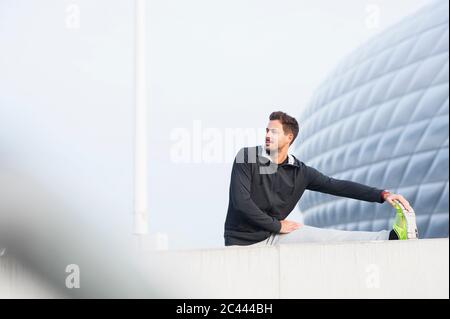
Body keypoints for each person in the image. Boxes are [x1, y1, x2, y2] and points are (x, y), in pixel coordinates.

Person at [224, 111, 418, 247]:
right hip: (241, 242)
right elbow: (242, 203)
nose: (267, 135)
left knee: (329, 237)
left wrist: (382, 194)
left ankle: (392, 238)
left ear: (289, 137)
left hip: (274, 235)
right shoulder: (247, 157)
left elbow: (338, 186)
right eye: (267, 130)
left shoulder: (300, 172)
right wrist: (277, 225)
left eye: (273, 132)